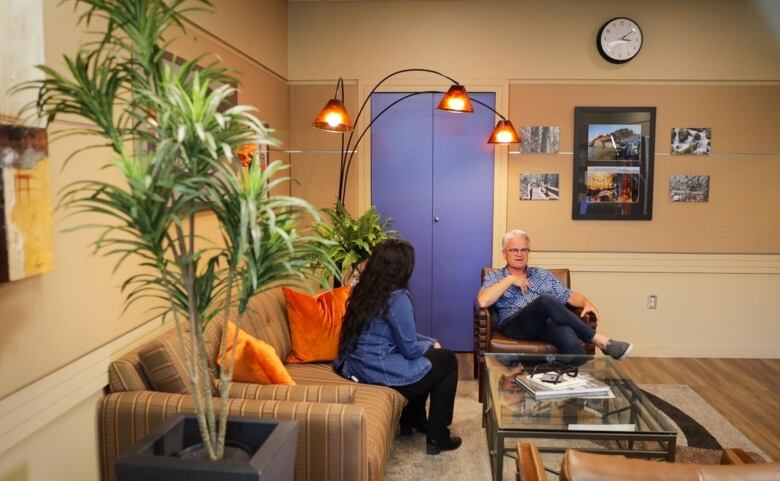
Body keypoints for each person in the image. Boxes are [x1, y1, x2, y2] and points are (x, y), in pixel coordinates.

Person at [334, 239, 462, 455]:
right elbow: (410, 349)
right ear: (401, 268)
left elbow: (399, 337)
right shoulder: (397, 298)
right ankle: (438, 436)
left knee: (430, 356)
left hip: (355, 367)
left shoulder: (362, 291)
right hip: (378, 370)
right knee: (447, 360)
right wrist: (433, 345)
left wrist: (430, 343)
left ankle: (413, 419)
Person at [477, 229, 633, 360]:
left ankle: (580, 384)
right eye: (514, 250)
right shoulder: (496, 277)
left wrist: (586, 302)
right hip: (515, 326)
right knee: (545, 300)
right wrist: (510, 279)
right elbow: (483, 301)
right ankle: (600, 340)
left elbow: (570, 296)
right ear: (504, 254)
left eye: (524, 249)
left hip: (546, 325)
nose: (519, 254)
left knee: (567, 335)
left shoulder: (543, 275)